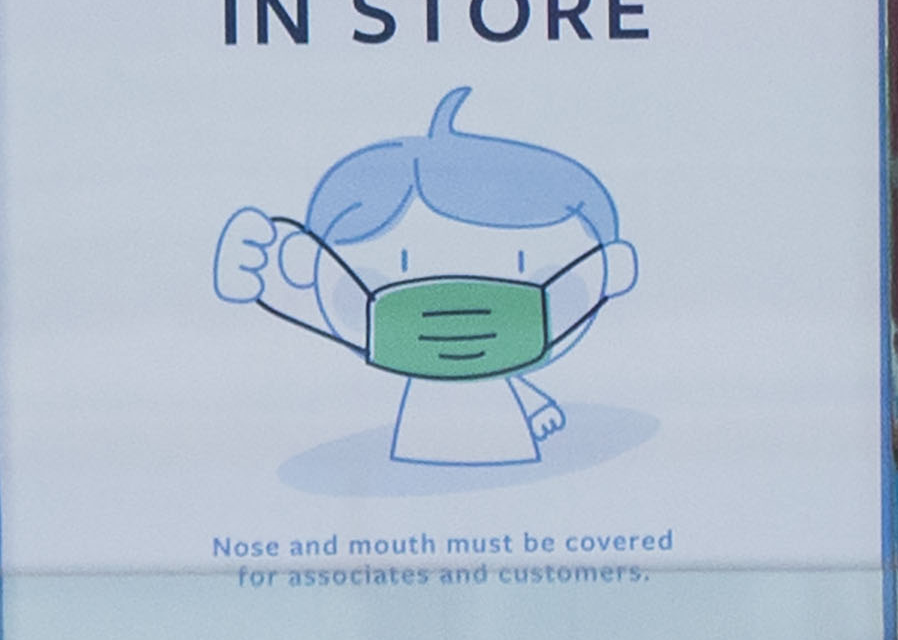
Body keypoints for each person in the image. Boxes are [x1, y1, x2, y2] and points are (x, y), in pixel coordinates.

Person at [213, 87, 637, 467]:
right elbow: (322, 311)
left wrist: (536, 405)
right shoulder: (329, 291)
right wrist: (265, 285)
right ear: (305, 264)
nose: (456, 313)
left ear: (610, 272)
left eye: (532, 271)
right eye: (384, 276)